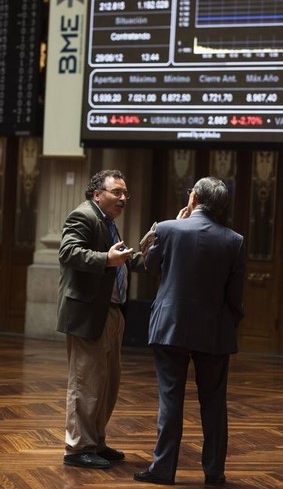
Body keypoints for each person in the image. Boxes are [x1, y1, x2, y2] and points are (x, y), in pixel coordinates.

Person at [134, 176, 245, 487]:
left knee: (170, 400)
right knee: (214, 404)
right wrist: (228, 325)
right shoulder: (234, 240)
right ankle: (214, 472)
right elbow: (235, 297)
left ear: (193, 197)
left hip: (170, 327)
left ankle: (162, 470)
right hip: (214, 332)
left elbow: (151, 266)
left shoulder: (167, 228)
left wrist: (171, 227)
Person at [57, 169, 144, 469]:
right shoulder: (84, 216)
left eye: (125, 193)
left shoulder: (107, 222)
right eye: (116, 192)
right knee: (85, 383)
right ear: (97, 194)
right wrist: (106, 259)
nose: (123, 198)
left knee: (106, 383)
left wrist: (142, 252)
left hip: (112, 313)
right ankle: (77, 448)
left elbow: (119, 259)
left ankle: (96, 441)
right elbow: (68, 252)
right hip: (89, 313)